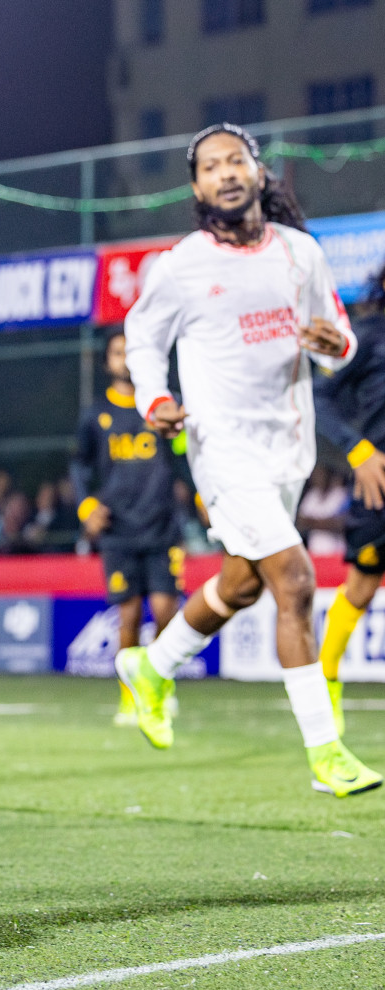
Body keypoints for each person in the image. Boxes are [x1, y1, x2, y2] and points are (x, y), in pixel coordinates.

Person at [118, 122, 380, 797]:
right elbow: (142, 338)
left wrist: (337, 347)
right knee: (292, 580)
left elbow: (339, 339)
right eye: (211, 166)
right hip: (221, 446)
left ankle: (152, 667)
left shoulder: (299, 252)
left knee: (241, 583)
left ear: (259, 173)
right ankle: (327, 755)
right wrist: (154, 399)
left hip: (286, 447)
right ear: (198, 186)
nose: (226, 172)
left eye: (237, 160)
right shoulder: (181, 264)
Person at [72, 332, 185, 727]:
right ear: (108, 362)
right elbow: (79, 467)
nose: (124, 359)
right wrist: (86, 505)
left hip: (162, 525)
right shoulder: (96, 415)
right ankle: (129, 699)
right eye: (118, 353)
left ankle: (162, 689)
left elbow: (184, 454)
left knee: (167, 610)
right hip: (118, 529)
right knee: (130, 614)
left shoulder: (160, 408)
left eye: (130, 351)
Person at [313, 260, 385, 738]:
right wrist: (358, 449)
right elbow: (319, 398)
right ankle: (326, 688)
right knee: (361, 585)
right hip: (379, 485)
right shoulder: (366, 337)